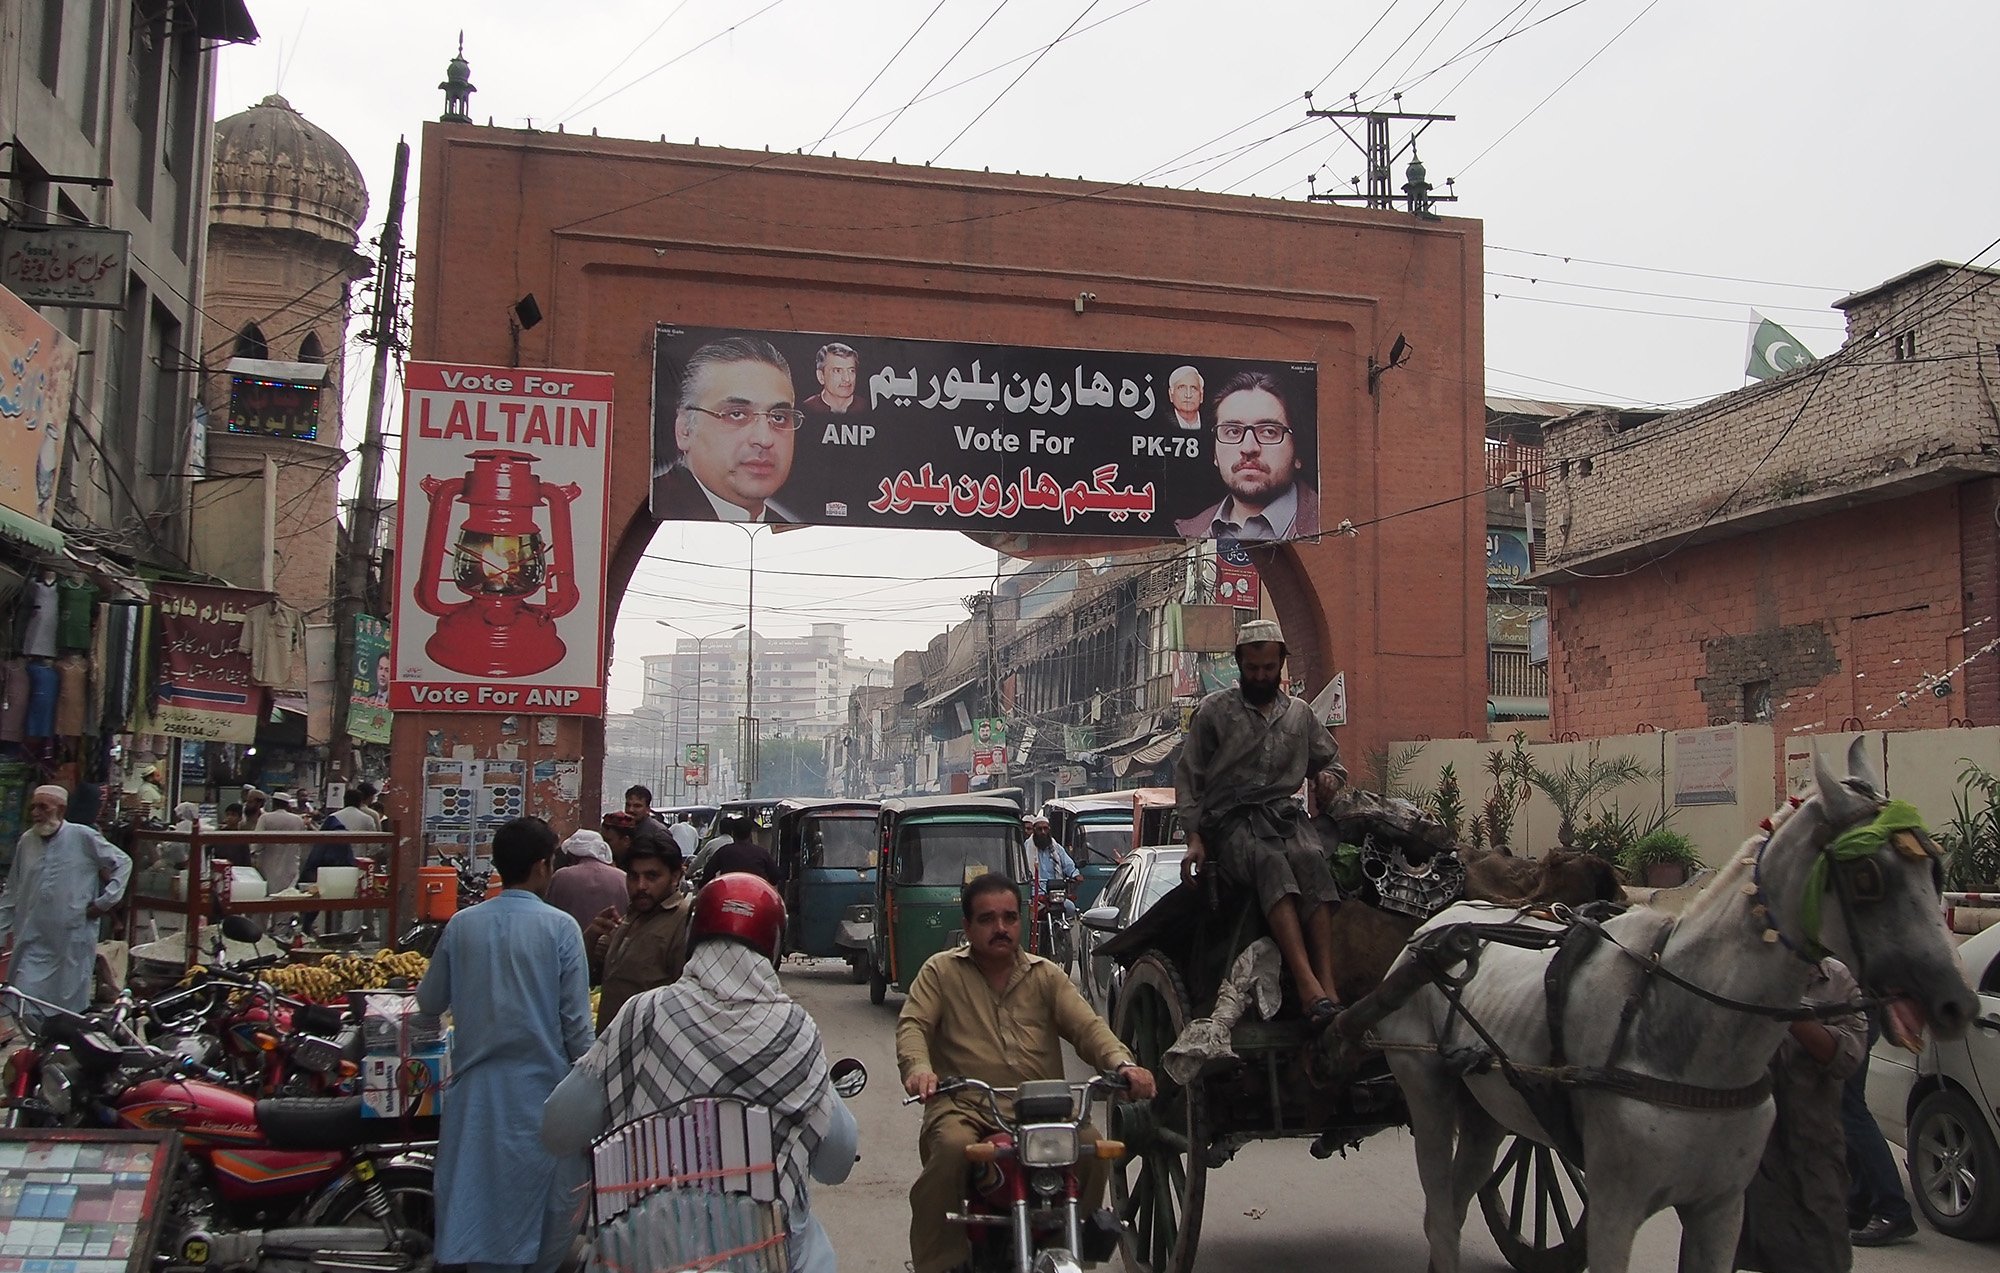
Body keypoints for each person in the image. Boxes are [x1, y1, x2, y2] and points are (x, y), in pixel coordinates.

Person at [541, 874, 859, 1273]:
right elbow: (836, 1164)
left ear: (693, 933)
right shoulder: (796, 1032)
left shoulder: (646, 1014)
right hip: (764, 1258)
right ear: (775, 946)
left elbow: (557, 1129)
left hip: (641, 1255)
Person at [898, 873, 1157, 1273]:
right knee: (950, 1148)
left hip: (1044, 1112)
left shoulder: (1047, 975)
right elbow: (914, 1025)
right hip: (966, 1109)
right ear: (967, 926)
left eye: (1008, 917)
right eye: (986, 919)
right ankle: (939, 1262)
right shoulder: (941, 972)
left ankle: (1068, 1253)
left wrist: (1122, 1064)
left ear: (1021, 921)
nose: (1000, 928)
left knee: (1090, 1145)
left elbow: (1088, 1028)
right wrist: (919, 1069)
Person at [418, 816, 593, 1273]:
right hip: (544, 1101)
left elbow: (429, 1001)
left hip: (476, 1105)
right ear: (541, 866)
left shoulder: (461, 925)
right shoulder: (561, 929)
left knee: (483, 1220)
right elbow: (577, 1027)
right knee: (544, 1221)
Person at [1176, 618, 1347, 1027]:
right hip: (1231, 823)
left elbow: (1334, 764)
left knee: (1311, 859)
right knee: (1271, 863)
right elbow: (1190, 778)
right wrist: (1194, 838)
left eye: (1268, 669)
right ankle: (1307, 986)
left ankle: (1328, 982)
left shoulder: (1301, 716)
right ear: (1239, 665)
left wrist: (1328, 779)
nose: (1260, 676)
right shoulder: (1214, 712)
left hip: (1286, 818)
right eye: (1252, 670)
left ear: (1281, 665)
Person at [1736, 957, 1869, 1272]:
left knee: (1821, 1257)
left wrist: (1793, 1014)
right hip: (1740, 1149)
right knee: (1716, 1250)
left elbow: (1848, 1058)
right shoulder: (1740, 966)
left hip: (1812, 1148)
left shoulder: (1835, 979)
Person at [0, 785, 132, 1019]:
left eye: (43, 807)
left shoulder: (83, 836)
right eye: (33, 807)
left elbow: (123, 863)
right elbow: (11, 892)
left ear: (60, 809)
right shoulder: (26, 841)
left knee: (66, 1012)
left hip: (70, 941)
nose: (36, 813)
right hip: (31, 939)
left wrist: (105, 901)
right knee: (24, 1002)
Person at [652, 336, 804, 523]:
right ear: (684, 430)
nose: (764, 439)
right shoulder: (656, 512)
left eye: (778, 417)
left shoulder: (790, 535)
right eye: (737, 414)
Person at [1172, 370, 1321, 540]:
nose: (1249, 448)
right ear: (1215, 453)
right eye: (1233, 431)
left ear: (1298, 452)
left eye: (1269, 432)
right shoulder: (1188, 533)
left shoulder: (1331, 526)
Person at [584, 830, 692, 1031]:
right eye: (633, 876)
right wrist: (591, 936)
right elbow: (595, 973)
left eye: (652, 876)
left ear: (675, 876)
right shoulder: (631, 916)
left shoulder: (682, 922)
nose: (640, 886)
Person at [1844, 1017, 1917, 1246]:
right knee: (1843, 1109)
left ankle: (1892, 1209)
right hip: (1850, 1011)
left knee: (1850, 1111)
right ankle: (1861, 1202)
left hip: (1851, 1013)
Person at [545, 829, 628, 936]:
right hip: (612, 945)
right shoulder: (622, 877)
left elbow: (550, 913)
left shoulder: (561, 876)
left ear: (572, 855)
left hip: (570, 944)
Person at [1028, 814, 1080, 931]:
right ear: (1034, 830)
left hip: (1056, 895)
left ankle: (1064, 939)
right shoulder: (1026, 847)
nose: (1043, 832)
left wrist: (1075, 874)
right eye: (1039, 829)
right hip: (1034, 894)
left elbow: (1068, 864)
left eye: (1045, 829)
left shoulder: (1057, 848)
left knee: (1070, 908)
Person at [701, 812, 780, 887]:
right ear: (750, 834)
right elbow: (775, 877)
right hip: (756, 893)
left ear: (733, 833)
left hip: (729, 893)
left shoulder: (724, 851)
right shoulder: (762, 853)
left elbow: (708, 873)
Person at [254, 791, 308, 896]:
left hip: (268, 864)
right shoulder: (297, 820)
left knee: (267, 898)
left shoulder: (265, 818)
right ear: (287, 804)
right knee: (287, 897)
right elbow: (302, 841)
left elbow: (257, 843)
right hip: (291, 864)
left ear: (274, 803)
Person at [801, 342, 861, 415]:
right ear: (821, 376)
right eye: (838, 371)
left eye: (851, 370)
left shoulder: (867, 408)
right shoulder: (806, 409)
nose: (847, 379)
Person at [1165, 364, 1204, 431]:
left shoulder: (1212, 423)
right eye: (1181, 388)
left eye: (1193, 388)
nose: (1188, 395)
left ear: (1201, 395)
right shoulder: (1162, 424)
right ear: (1171, 394)